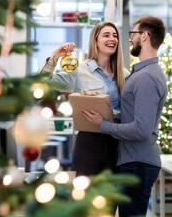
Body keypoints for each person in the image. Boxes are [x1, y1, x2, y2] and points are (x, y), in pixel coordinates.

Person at [80, 15, 168, 217]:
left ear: (144, 36)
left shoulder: (146, 76)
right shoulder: (141, 73)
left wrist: (102, 124)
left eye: (133, 34)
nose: (129, 39)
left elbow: (141, 129)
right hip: (133, 160)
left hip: (137, 162)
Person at [39, 21, 130, 176]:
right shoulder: (79, 71)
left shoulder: (125, 74)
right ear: (95, 41)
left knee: (112, 197)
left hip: (118, 145)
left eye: (115, 36)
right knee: (86, 195)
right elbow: (42, 83)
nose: (112, 39)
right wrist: (55, 56)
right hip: (89, 144)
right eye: (106, 35)